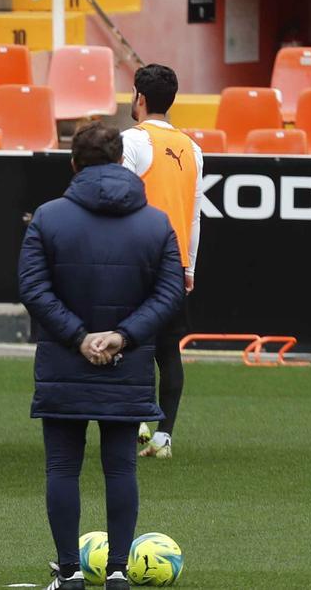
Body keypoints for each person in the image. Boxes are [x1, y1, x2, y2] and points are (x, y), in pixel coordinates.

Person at [18, 123, 184, 590]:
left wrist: (79, 338)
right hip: (125, 364)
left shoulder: (48, 217)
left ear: (73, 163)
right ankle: (117, 574)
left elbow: (32, 288)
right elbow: (170, 294)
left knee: (62, 468)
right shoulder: (156, 221)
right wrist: (122, 337)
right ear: (120, 162)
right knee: (121, 467)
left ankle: (70, 573)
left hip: (64, 361)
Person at [121, 64, 202, 460]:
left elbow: (117, 199)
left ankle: (135, 420)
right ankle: (163, 437)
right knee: (168, 351)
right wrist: (189, 266)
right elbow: (194, 214)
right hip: (173, 262)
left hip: (135, 261)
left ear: (139, 97)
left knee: (130, 343)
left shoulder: (132, 141)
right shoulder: (193, 148)